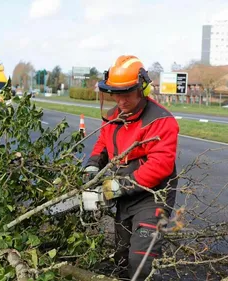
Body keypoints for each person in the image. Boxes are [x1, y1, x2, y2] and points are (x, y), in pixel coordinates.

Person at [83, 55, 179, 280]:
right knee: (122, 257)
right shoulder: (113, 117)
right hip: (125, 196)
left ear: (142, 90)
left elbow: (160, 166)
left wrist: (116, 187)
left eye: (126, 95)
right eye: (116, 95)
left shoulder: (161, 121)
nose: (121, 102)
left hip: (153, 196)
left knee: (141, 260)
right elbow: (102, 146)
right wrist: (91, 169)